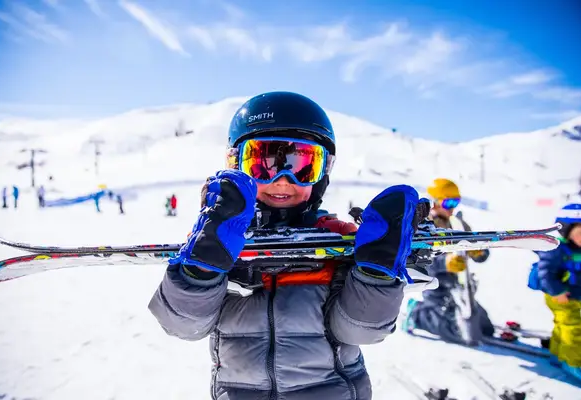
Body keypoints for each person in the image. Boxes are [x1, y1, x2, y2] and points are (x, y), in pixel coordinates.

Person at [148, 91, 433, 399]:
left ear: (322, 175)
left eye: (302, 166)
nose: (283, 180)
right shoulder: (218, 239)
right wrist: (200, 268)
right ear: (236, 166)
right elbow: (182, 325)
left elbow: (362, 329)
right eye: (263, 163)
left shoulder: (336, 243)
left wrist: (376, 272)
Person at [402, 178, 493, 344]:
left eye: (456, 201)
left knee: (486, 329)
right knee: (457, 332)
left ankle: (444, 315)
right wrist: (445, 263)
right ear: (435, 202)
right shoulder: (424, 226)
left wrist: (478, 251)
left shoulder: (458, 223)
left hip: (458, 286)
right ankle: (417, 314)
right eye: (448, 202)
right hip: (435, 286)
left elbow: (480, 250)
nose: (453, 207)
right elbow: (419, 259)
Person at [528, 203, 581, 385]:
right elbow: (545, 273)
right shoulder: (556, 249)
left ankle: (558, 355)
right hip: (561, 296)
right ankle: (578, 363)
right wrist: (558, 292)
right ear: (566, 228)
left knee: (562, 326)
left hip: (572, 296)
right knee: (575, 329)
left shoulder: (576, 247)